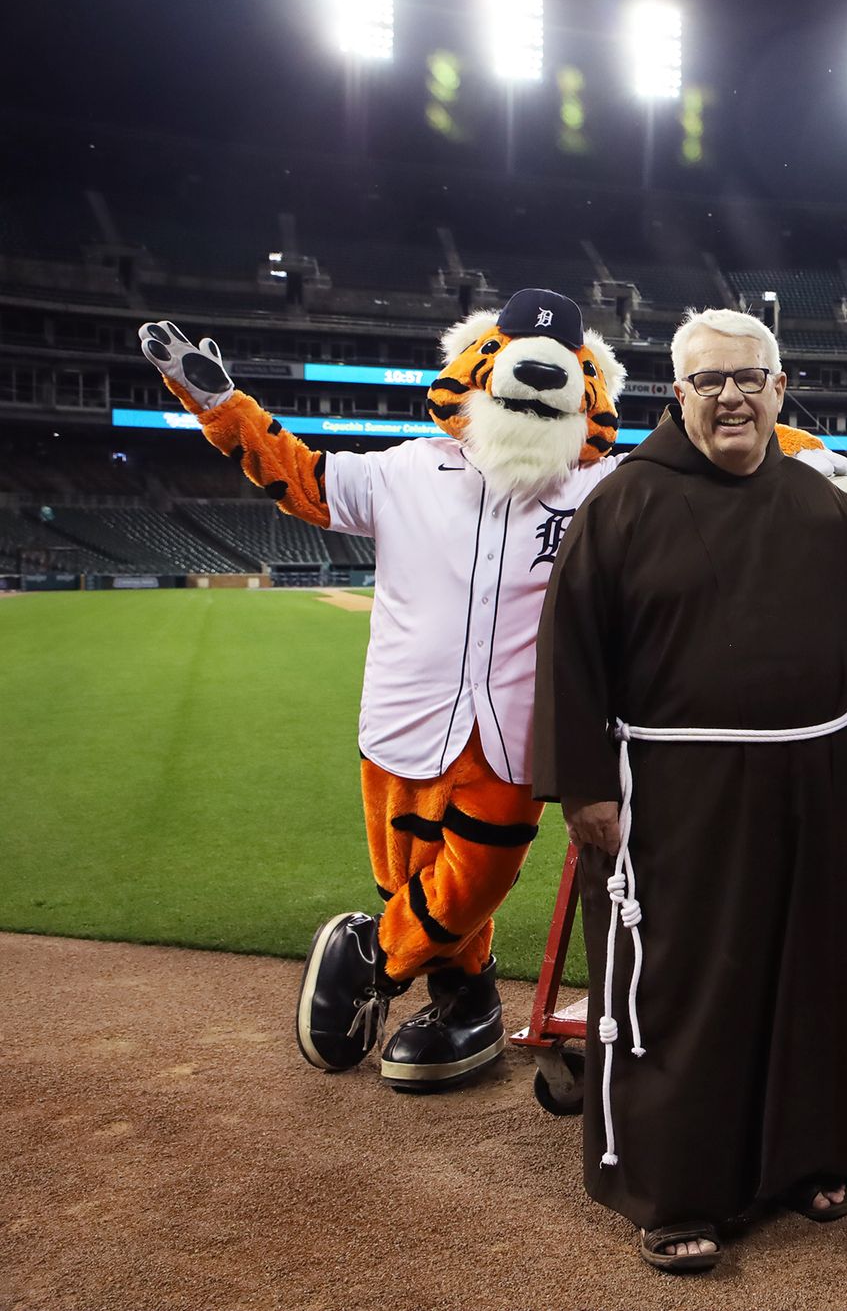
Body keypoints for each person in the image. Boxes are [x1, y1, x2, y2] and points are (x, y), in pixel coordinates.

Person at [136, 290, 626, 1092]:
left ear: (587, 385)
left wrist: (799, 447)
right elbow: (301, 479)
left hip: (521, 735)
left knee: (476, 875)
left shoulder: (604, 488)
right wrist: (217, 402)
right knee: (410, 877)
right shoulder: (405, 469)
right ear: (475, 366)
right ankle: (466, 996)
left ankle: (374, 959)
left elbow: (702, 468)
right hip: (404, 717)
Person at [532, 307, 847, 1274]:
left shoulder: (819, 502)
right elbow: (569, 653)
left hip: (814, 782)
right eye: (711, 382)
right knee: (686, 987)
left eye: (751, 379)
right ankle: (674, 1188)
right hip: (674, 790)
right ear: (679, 394)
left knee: (810, 975)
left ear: (782, 391)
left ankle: (807, 1159)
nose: (733, 396)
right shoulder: (623, 503)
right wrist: (586, 791)